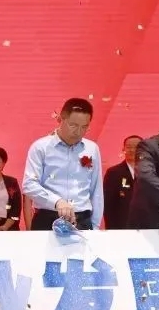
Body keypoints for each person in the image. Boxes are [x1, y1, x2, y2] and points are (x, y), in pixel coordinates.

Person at [22, 98, 103, 231]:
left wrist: (95, 226)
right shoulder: (41, 147)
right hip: (47, 217)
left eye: (84, 127)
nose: (78, 132)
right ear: (61, 119)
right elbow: (29, 185)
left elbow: (96, 190)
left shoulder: (92, 148)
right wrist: (57, 201)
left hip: (82, 219)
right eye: (73, 125)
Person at [102, 134, 142, 229]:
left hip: (146, 226)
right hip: (122, 226)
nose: (132, 150)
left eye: (136, 147)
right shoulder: (114, 172)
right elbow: (108, 205)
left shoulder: (151, 172)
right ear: (123, 149)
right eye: (129, 147)